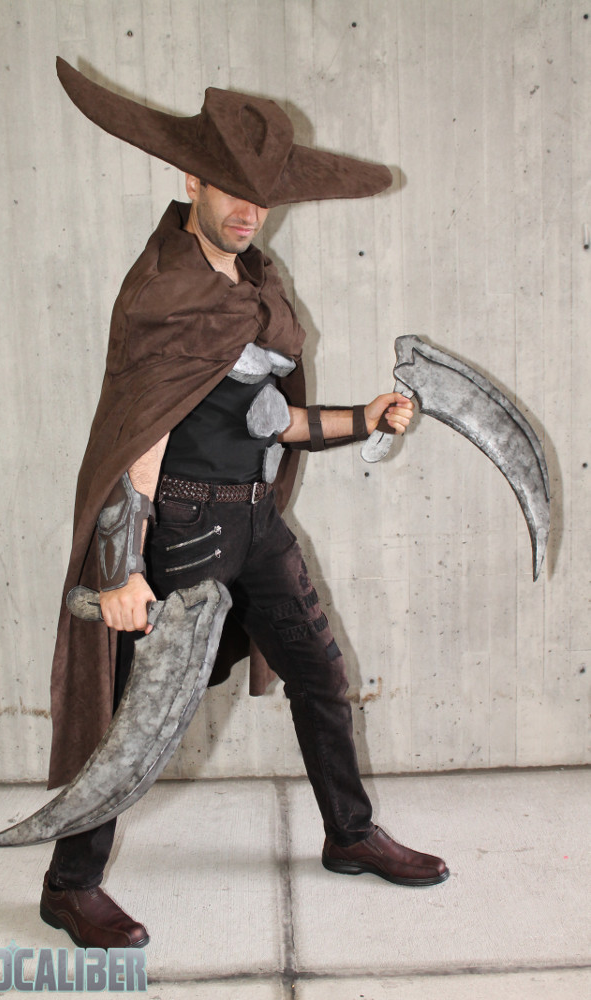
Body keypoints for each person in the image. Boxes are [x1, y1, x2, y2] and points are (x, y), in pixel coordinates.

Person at [40, 59, 448, 951]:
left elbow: (269, 420)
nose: (248, 209)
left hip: (257, 523)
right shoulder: (167, 292)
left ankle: (348, 833)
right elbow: (142, 435)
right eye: (231, 188)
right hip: (182, 525)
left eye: (262, 194)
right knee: (134, 719)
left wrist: (362, 417)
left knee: (320, 675)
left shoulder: (256, 286)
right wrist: (120, 567)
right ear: (191, 179)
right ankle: (69, 887)